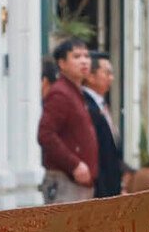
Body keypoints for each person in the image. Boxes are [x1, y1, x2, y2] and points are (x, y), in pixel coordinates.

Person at [38, 38, 99, 204]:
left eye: (86, 56)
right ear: (62, 63)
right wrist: (74, 164)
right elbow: (45, 134)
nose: (84, 61)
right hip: (65, 181)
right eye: (77, 56)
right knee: (64, 229)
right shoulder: (60, 94)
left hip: (79, 184)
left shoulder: (76, 93)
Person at [83, 50, 127, 199]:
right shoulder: (86, 105)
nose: (111, 78)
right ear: (90, 75)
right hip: (99, 188)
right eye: (107, 73)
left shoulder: (101, 104)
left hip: (112, 185)